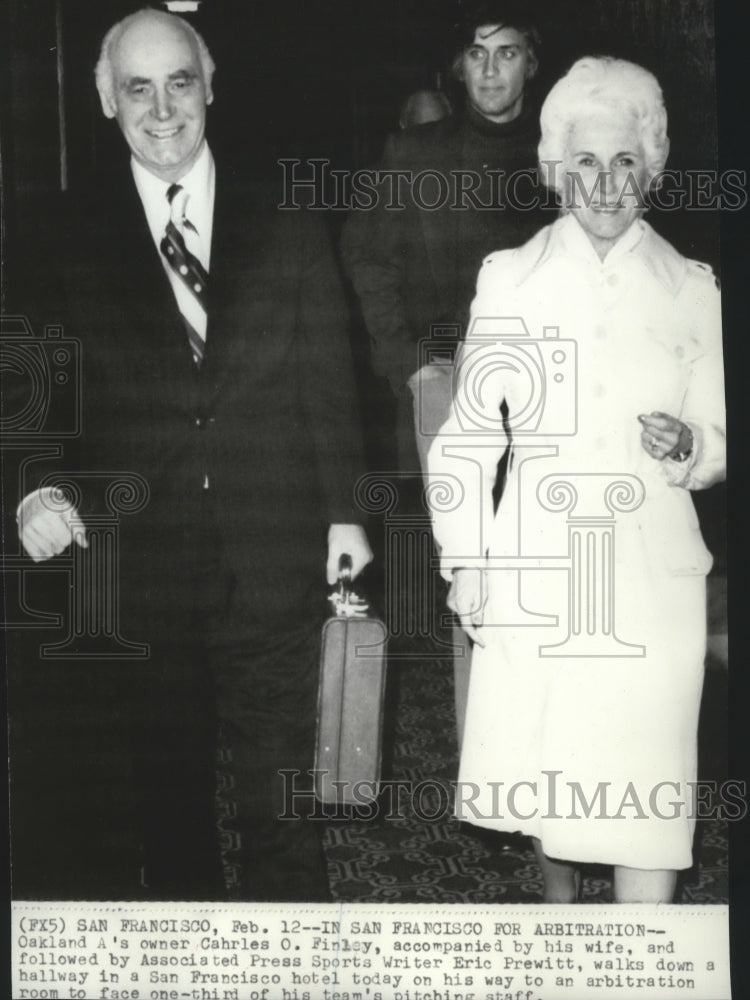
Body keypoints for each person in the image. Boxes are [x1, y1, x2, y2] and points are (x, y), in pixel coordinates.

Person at [14, 7, 372, 901]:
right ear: (107, 99)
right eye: (138, 86)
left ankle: (295, 959)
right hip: (136, 562)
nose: (163, 107)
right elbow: (33, 389)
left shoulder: (287, 211)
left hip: (275, 547)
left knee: (283, 800)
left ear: (211, 86)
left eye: (180, 81)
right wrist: (33, 492)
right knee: (166, 806)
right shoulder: (63, 231)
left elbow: (328, 369)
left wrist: (345, 513)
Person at [428, 57, 725, 903]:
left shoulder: (694, 290)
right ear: (556, 169)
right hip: (542, 576)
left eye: (625, 162)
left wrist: (694, 443)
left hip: (649, 583)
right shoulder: (510, 280)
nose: (605, 183)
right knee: (552, 786)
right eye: (586, 162)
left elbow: (724, 439)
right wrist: (472, 567)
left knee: (650, 807)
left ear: (653, 171)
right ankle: (560, 924)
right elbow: (467, 446)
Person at [343, 0, 548, 749]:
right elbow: (367, 258)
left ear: (532, 61)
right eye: (475, 53)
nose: (489, 68)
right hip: (449, 388)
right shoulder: (413, 152)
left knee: (548, 569)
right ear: (457, 65)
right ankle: (483, 755)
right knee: (472, 576)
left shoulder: (564, 156)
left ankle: (545, 737)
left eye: (506, 52)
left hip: (549, 395)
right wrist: (410, 366)